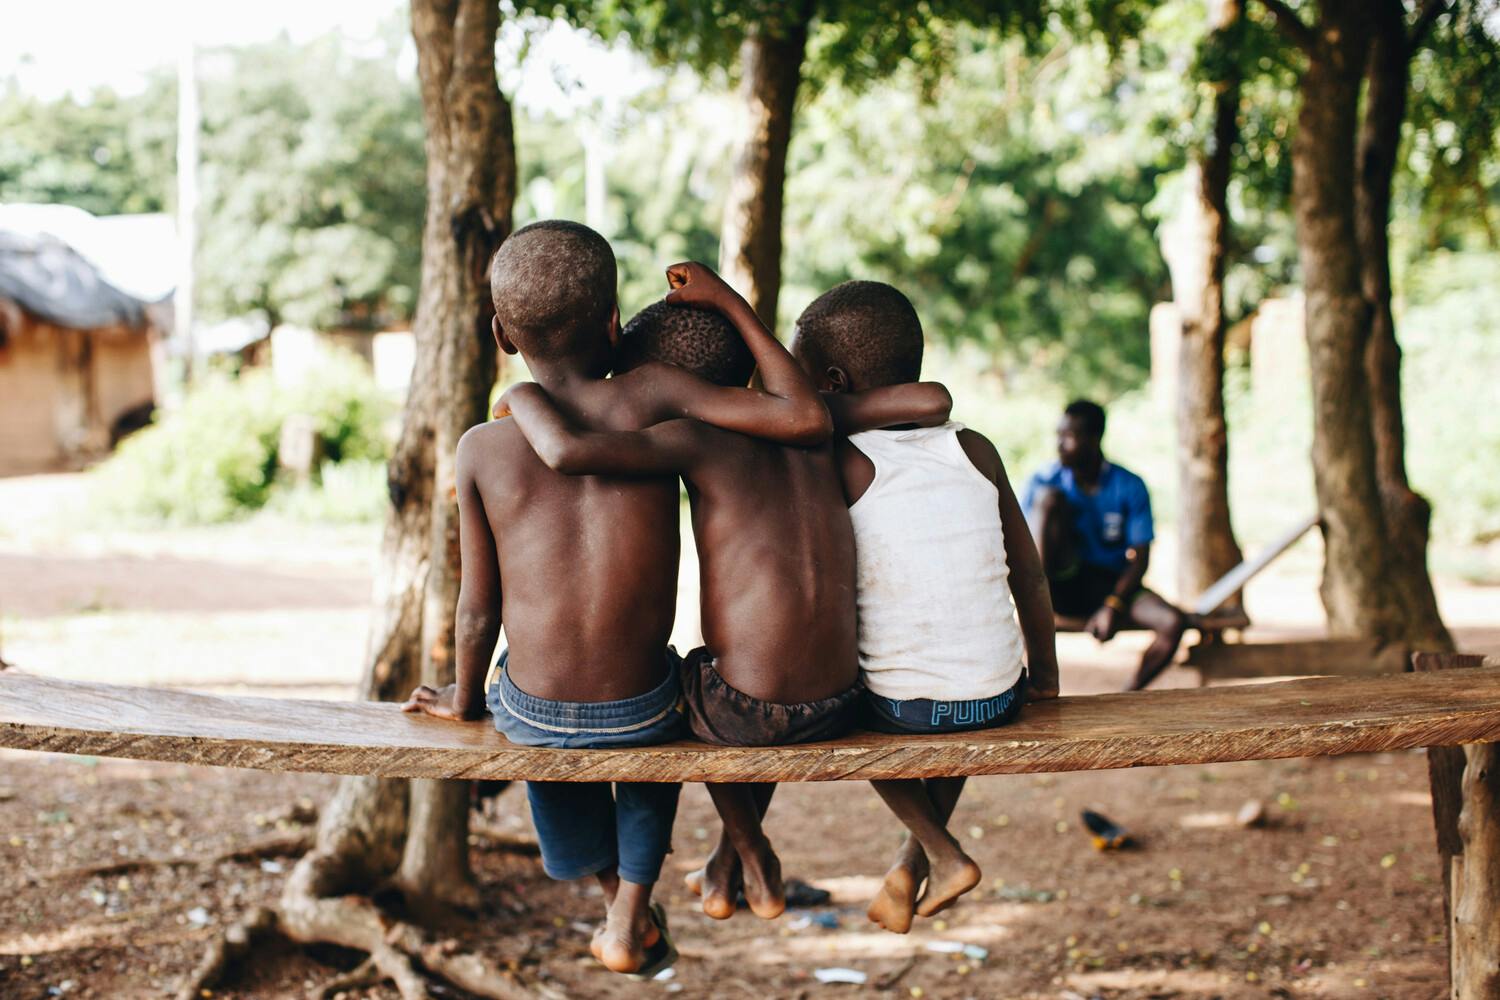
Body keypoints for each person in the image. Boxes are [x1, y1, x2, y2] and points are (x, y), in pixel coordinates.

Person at [400, 223, 829, 977]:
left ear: (500, 333)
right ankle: (631, 903)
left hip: (529, 711)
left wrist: (467, 700)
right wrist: (729, 303)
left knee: (541, 727)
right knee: (653, 710)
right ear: (610, 323)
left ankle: (614, 904)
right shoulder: (660, 399)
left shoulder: (481, 447)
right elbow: (800, 416)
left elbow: (478, 608)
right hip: (641, 707)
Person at [500, 262, 949, 924]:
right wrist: (734, 304)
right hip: (846, 695)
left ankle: (748, 850)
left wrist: (521, 400)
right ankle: (729, 863)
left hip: (750, 710)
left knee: (701, 686)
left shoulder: (684, 440)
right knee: (747, 680)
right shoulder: (818, 428)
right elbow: (928, 399)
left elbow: (573, 452)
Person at [789, 279, 1060, 935]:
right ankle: (910, 868)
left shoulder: (839, 460)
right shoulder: (975, 448)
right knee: (956, 687)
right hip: (1000, 695)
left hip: (903, 711)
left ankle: (940, 852)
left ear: (830, 381)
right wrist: (1045, 677)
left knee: (846, 712)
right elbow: (1028, 572)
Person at [1022, 399, 1188, 691]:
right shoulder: (1044, 481)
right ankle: (1037, 612)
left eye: (1069, 436)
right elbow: (1022, 543)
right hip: (1059, 585)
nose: (1060, 444)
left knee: (1172, 623)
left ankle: (1129, 694)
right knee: (1048, 499)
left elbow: (1140, 558)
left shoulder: (1129, 485)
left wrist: (1113, 604)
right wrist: (1037, 596)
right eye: (1058, 435)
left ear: (1094, 439)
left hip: (1111, 586)